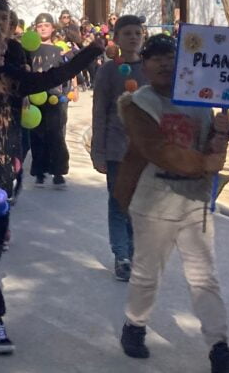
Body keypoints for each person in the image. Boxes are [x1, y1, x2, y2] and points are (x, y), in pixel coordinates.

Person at [0, 18, 104, 354]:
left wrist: (90, 52)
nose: (5, 47)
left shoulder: (11, 79)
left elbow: (52, 77)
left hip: (6, 177)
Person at [115, 34, 229, 373]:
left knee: (204, 278)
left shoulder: (200, 99)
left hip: (195, 202)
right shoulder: (137, 103)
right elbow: (158, 150)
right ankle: (134, 324)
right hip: (153, 200)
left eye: (170, 56)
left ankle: (218, 347)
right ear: (145, 65)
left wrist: (221, 133)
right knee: (147, 274)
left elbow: (212, 153)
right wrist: (205, 163)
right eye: (155, 57)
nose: (163, 63)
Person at [90, 14, 147, 281]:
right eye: (127, 33)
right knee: (118, 203)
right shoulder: (108, 70)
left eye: (137, 32)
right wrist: (98, 151)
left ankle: (137, 253)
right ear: (116, 38)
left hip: (147, 151)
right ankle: (121, 255)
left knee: (141, 205)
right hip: (116, 148)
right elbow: (100, 110)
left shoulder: (152, 68)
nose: (133, 37)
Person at [28, 13, 72, 188]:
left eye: (46, 25)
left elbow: (69, 73)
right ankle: (39, 171)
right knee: (37, 136)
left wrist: (68, 92)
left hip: (55, 97)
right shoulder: (29, 52)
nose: (43, 28)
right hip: (35, 98)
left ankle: (58, 172)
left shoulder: (59, 51)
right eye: (40, 26)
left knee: (56, 135)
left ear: (53, 28)